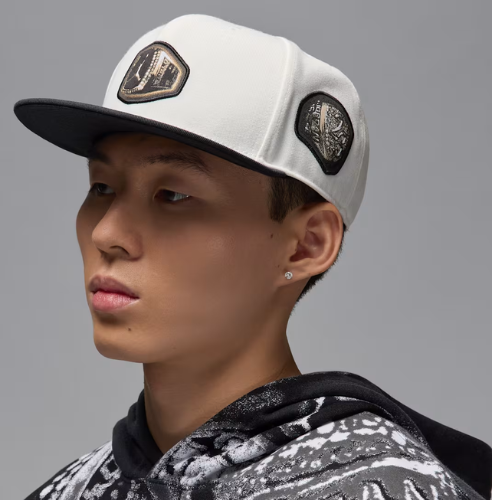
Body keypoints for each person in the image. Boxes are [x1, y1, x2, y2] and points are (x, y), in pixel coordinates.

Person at [14, 13, 491, 500]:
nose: (106, 232)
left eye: (172, 195)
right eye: (101, 187)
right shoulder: (69, 490)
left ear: (307, 244)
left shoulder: (387, 488)